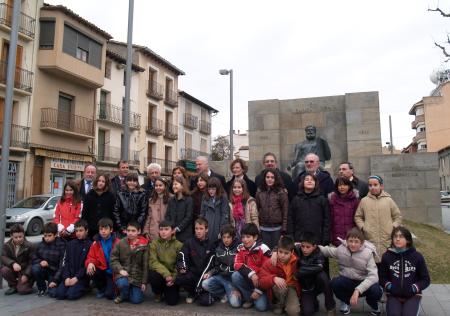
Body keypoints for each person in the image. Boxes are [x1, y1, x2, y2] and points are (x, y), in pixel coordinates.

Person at [320, 227, 382, 316]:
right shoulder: (341, 249)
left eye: (356, 242)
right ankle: (346, 301)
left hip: (363, 282)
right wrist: (312, 245)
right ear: (347, 241)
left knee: (376, 290)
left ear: (361, 243)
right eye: (350, 241)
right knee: (335, 283)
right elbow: (328, 251)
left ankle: (373, 305)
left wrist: (358, 290)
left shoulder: (368, 253)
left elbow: (374, 276)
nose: (353, 244)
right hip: (347, 281)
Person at [379, 227, 430, 316]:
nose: (397, 239)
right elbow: (382, 277)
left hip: (413, 295)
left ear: (408, 240)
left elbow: (425, 279)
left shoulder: (417, 256)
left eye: (401, 236)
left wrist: (415, 287)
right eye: (395, 236)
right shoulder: (386, 256)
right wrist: (389, 286)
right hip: (393, 295)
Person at [354, 175, 402, 262]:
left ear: (381, 186)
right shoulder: (364, 201)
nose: (372, 187)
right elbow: (358, 217)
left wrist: (393, 226)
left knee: (387, 263)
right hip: (370, 239)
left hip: (387, 239)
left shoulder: (388, 200)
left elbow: (397, 216)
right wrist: (363, 227)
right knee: (373, 266)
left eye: (375, 185)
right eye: (370, 185)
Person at [176, 218, 216, 304]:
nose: (198, 231)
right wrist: (182, 267)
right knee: (181, 278)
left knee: (205, 302)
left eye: (201, 228)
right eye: (196, 228)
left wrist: (209, 273)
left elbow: (213, 263)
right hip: (192, 274)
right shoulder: (189, 242)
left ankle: (201, 292)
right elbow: (182, 257)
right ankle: (192, 293)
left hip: (204, 276)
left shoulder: (211, 244)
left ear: (206, 230)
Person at [232, 223, 270, 312]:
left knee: (261, 307)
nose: (245, 240)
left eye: (248, 237)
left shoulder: (263, 248)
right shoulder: (240, 248)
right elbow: (236, 264)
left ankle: (258, 295)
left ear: (255, 237)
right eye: (243, 237)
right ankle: (249, 298)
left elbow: (268, 271)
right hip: (249, 280)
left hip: (261, 283)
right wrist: (251, 274)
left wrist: (259, 290)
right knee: (235, 276)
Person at [295, 232, 336, 316]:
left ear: (314, 246)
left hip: (316, 284)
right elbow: (284, 244)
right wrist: (274, 252)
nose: (304, 249)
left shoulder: (319, 253)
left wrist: (299, 272)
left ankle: (331, 307)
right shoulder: (297, 247)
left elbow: (320, 267)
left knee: (324, 277)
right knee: (307, 312)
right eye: (303, 246)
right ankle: (314, 302)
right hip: (306, 288)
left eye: (308, 247)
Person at [258, 236, 300, 316]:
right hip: (279, 288)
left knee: (294, 312)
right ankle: (279, 304)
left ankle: (287, 304)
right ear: (277, 250)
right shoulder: (271, 262)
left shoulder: (297, 261)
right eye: (280, 252)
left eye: (286, 253)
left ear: (292, 252)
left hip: (291, 288)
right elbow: (261, 280)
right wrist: (273, 278)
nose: (282, 255)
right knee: (281, 287)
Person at [201, 225, 240, 307]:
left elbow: (241, 270)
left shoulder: (239, 248)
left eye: (228, 237)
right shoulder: (218, 249)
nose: (226, 240)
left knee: (235, 304)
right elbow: (216, 266)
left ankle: (231, 292)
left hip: (232, 280)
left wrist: (237, 288)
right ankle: (223, 294)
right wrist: (210, 273)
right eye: (224, 237)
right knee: (205, 284)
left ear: (233, 237)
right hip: (221, 277)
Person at [111, 221, 149, 304]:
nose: (130, 233)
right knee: (122, 283)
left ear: (139, 231)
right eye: (128, 230)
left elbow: (145, 265)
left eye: (133, 231)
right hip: (123, 274)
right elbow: (113, 259)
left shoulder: (144, 245)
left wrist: (144, 282)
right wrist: (120, 270)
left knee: (136, 300)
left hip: (137, 276)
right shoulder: (120, 243)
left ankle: (130, 291)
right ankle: (123, 294)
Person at [54, 219, 92, 300]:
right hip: (69, 276)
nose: (78, 233)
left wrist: (76, 278)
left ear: (87, 231)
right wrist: (66, 277)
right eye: (76, 231)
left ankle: (86, 288)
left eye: (81, 230)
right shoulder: (70, 244)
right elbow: (65, 262)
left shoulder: (90, 245)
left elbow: (86, 265)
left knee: (71, 295)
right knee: (59, 294)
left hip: (81, 278)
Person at [148, 220, 183, 305]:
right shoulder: (154, 244)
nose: (163, 232)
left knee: (172, 302)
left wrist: (173, 277)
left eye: (166, 229)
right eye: (161, 229)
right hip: (160, 274)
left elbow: (180, 264)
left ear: (172, 231)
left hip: (172, 276)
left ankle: (170, 290)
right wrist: (166, 274)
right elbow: (153, 262)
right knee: (153, 275)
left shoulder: (179, 245)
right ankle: (158, 292)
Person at [85, 217, 120, 300]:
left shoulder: (118, 242)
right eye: (101, 229)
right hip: (102, 270)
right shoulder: (96, 243)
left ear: (111, 230)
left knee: (109, 295)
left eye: (106, 229)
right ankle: (101, 288)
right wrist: (90, 263)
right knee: (91, 269)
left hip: (113, 272)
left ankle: (111, 288)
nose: (103, 231)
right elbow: (90, 257)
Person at [256, 168, 289, 249]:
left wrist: (284, 229)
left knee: (276, 251)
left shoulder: (281, 192)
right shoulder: (259, 191)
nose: (270, 179)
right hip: (263, 228)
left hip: (277, 229)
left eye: (272, 177)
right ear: (264, 178)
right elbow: (257, 208)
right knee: (265, 252)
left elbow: (285, 211)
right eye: (267, 177)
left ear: (276, 179)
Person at [32, 222, 66, 297]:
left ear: (56, 234)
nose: (47, 238)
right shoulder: (40, 245)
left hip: (55, 272)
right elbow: (34, 258)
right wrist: (41, 261)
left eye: (49, 236)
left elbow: (62, 265)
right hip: (44, 270)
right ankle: (41, 288)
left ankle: (54, 285)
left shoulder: (62, 245)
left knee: (53, 294)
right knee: (35, 268)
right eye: (45, 236)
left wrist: (55, 280)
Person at [1, 224, 35, 295]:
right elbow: (3, 257)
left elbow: (32, 262)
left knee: (23, 291)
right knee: (4, 270)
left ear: (24, 235)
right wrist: (13, 263)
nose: (18, 239)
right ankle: (13, 286)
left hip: (24, 270)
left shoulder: (30, 246)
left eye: (20, 237)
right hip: (13, 269)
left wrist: (26, 275)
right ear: (11, 236)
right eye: (16, 237)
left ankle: (27, 283)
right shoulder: (6, 245)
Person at [82, 173, 116, 239]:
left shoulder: (111, 196)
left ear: (106, 183)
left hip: (105, 228)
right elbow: (85, 212)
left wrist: (112, 226)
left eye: (103, 181)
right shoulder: (89, 194)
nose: (100, 183)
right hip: (91, 228)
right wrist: (85, 227)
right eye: (99, 181)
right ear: (96, 182)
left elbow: (113, 212)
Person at [328, 177, 360, 246]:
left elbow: (357, 218)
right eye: (339, 185)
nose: (342, 187)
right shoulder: (332, 199)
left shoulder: (354, 200)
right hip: (336, 235)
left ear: (349, 186)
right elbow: (330, 218)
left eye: (344, 185)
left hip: (351, 235)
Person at [165, 175, 194, 242]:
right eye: (173, 185)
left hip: (185, 235)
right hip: (172, 234)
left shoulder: (189, 200)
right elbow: (167, 215)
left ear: (182, 185)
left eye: (176, 184)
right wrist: (170, 227)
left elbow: (188, 217)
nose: (173, 186)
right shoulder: (171, 200)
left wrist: (178, 228)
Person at [200, 177, 230, 242]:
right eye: (209, 189)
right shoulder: (205, 197)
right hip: (207, 226)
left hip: (218, 226)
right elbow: (202, 214)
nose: (211, 191)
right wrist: (201, 228)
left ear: (218, 189)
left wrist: (222, 230)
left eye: (213, 189)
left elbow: (224, 215)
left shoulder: (223, 197)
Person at [143, 177, 172, 241]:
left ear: (165, 186)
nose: (158, 187)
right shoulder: (151, 200)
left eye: (160, 185)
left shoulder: (171, 198)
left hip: (167, 231)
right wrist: (146, 230)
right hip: (153, 231)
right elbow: (149, 216)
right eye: (156, 186)